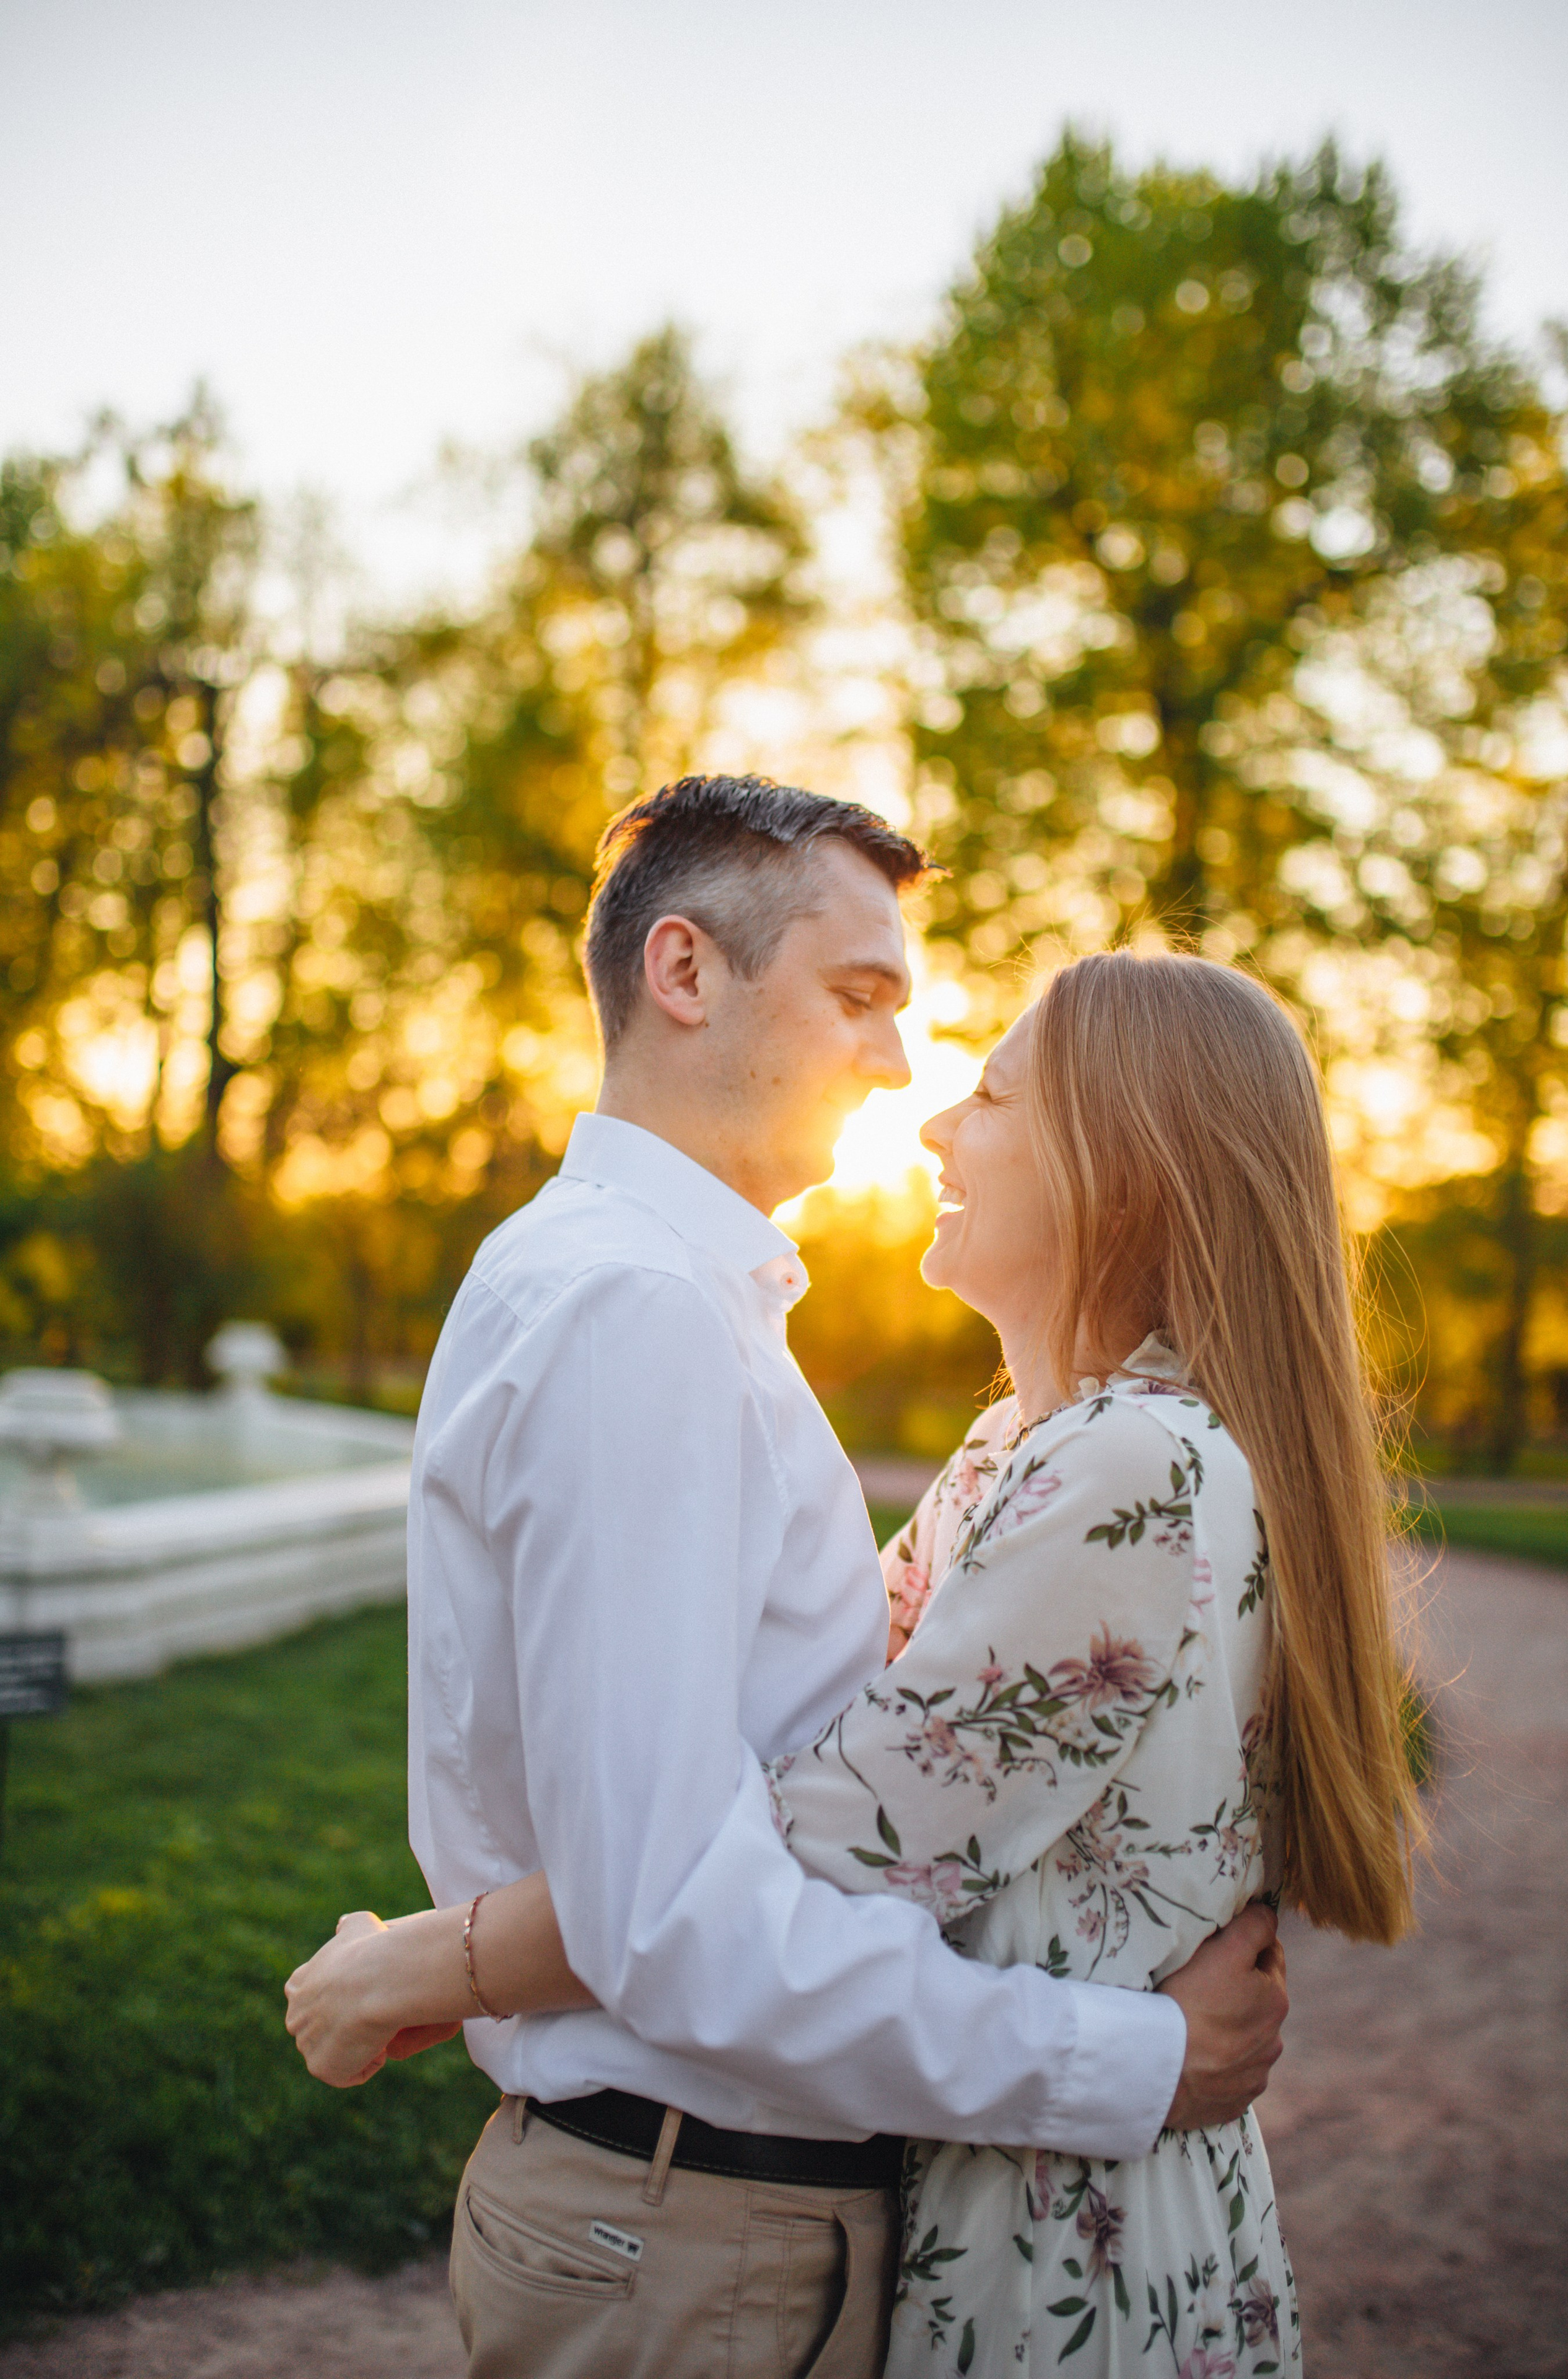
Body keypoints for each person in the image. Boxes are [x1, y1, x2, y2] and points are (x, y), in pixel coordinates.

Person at [286, 778, 1291, 2379]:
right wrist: (1131, 2059)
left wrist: (436, 1957)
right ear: (685, 975)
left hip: (699, 2222)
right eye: (861, 996)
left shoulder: (663, 1297)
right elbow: (684, 1916)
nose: (900, 1068)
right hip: (691, 2236)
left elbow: (787, 1814)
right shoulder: (640, 1316)